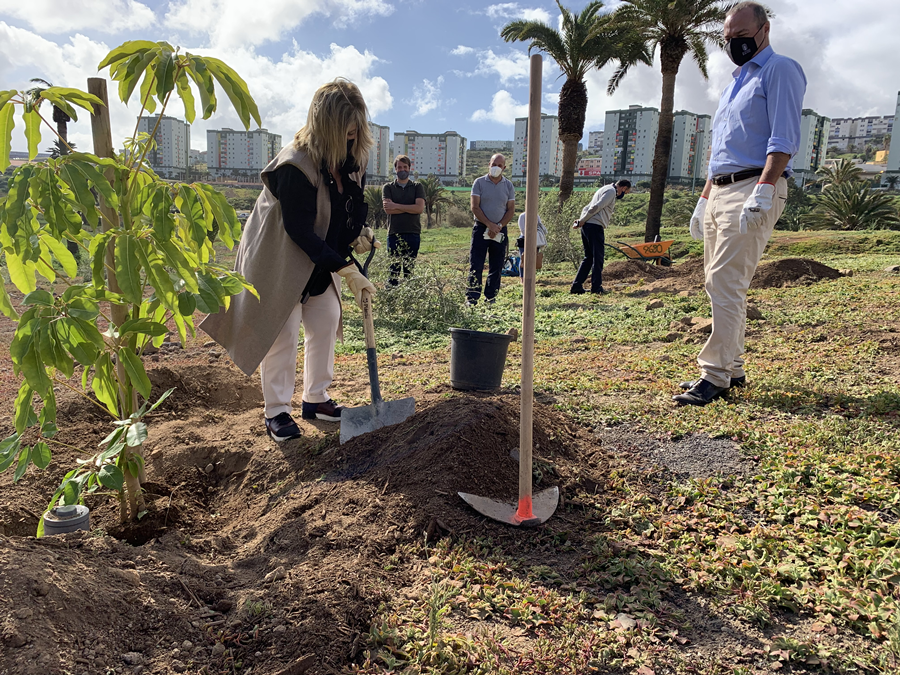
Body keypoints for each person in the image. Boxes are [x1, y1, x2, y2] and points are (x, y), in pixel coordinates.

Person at [200, 79, 377, 441]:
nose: (352, 137)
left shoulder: (352, 158)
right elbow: (300, 230)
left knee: (326, 317)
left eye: (356, 130)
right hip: (280, 258)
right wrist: (346, 270)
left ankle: (316, 399)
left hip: (318, 260)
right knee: (283, 330)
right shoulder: (294, 165)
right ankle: (276, 411)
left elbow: (345, 210)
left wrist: (358, 234)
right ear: (326, 125)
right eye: (345, 130)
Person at [674, 1, 805, 407]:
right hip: (720, 189)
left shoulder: (780, 70)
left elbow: (783, 137)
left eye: (742, 37)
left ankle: (714, 375)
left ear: (763, 31)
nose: (734, 45)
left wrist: (764, 189)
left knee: (724, 282)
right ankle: (733, 367)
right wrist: (703, 199)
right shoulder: (734, 83)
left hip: (753, 186)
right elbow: (721, 151)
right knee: (722, 283)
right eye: (728, 39)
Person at [467, 153, 516, 304]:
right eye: (494, 164)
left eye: (499, 165)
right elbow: (475, 207)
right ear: (489, 164)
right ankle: (472, 298)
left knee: (497, 265)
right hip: (481, 229)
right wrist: (489, 225)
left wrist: (498, 226)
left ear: (504, 168)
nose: (496, 167)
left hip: (500, 231)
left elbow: (511, 210)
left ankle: (491, 297)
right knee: (476, 264)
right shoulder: (479, 183)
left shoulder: (508, 186)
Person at [570, 179, 631, 294]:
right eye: (626, 192)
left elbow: (588, 206)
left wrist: (581, 220)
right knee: (598, 258)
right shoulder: (611, 191)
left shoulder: (604, 188)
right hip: (594, 226)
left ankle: (576, 286)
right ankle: (596, 288)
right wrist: (582, 220)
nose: (623, 194)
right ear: (623, 188)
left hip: (588, 226)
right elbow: (596, 207)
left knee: (589, 258)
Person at [382, 154, 425, 285]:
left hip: (413, 233)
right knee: (393, 271)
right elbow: (388, 210)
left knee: (409, 271)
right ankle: (392, 299)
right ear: (395, 169)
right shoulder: (388, 187)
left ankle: (409, 301)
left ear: (409, 168)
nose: (402, 170)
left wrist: (396, 206)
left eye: (405, 167)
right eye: (399, 167)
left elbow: (419, 209)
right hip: (394, 233)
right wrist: (409, 207)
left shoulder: (417, 187)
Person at [515, 207, 547, 279]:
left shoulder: (536, 215)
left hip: (535, 238)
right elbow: (522, 229)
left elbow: (539, 226)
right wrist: (529, 237)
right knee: (523, 258)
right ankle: (522, 277)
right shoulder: (522, 216)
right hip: (524, 238)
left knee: (534, 257)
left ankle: (531, 276)